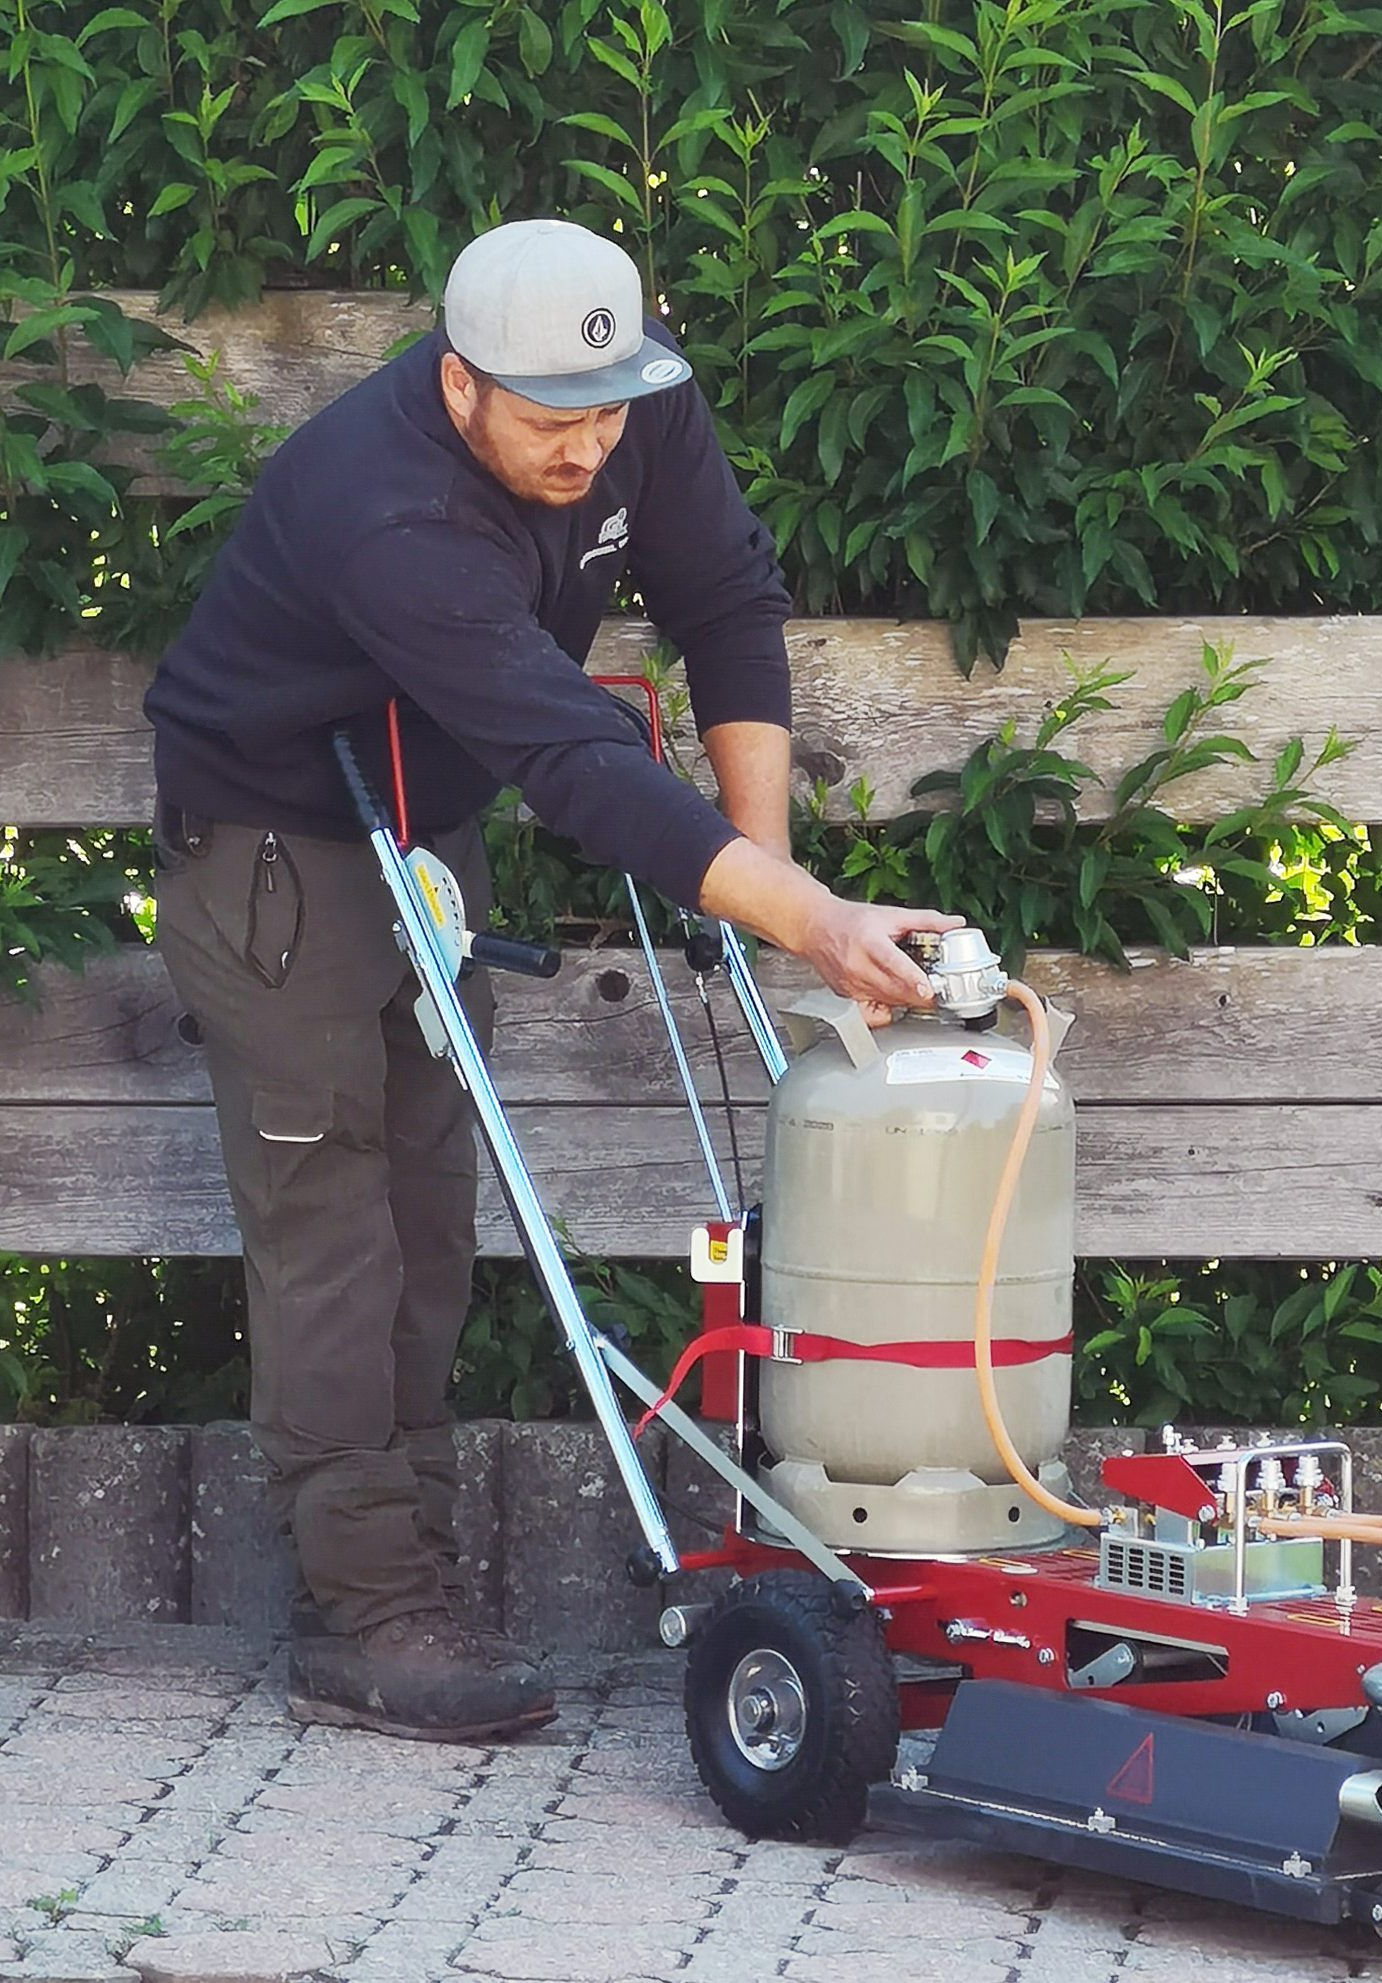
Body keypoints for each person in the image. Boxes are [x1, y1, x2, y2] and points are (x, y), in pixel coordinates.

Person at [143, 217, 956, 1742]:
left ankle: (408, 1570)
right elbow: (571, 759)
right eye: (549, 423)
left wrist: (760, 875)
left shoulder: (633, 399)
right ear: (460, 388)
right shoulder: (384, 513)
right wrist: (805, 918)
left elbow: (725, 600)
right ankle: (368, 1617)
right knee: (336, 1230)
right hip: (277, 846)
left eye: (608, 414)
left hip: (424, 828)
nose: (591, 450)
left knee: (430, 1220)